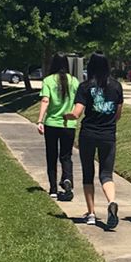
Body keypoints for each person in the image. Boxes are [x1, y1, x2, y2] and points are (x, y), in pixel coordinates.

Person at [64, 52, 123, 229]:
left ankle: (91, 213)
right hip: (108, 134)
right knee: (106, 174)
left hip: (88, 134)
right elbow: (118, 114)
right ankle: (111, 201)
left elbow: (77, 112)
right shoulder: (116, 86)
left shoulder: (84, 87)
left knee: (88, 172)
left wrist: (67, 115)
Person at [36, 53, 80, 200]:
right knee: (66, 156)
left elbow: (45, 101)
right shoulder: (74, 81)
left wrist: (40, 120)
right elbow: (79, 103)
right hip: (69, 124)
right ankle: (67, 178)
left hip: (52, 124)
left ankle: (53, 188)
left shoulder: (48, 80)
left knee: (51, 155)